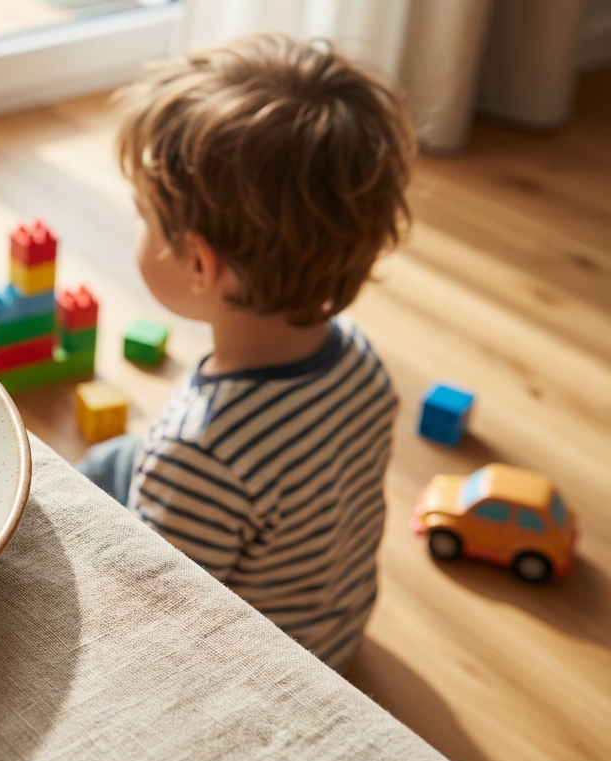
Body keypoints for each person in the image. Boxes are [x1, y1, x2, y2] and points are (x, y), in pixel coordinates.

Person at [78, 33, 414, 670]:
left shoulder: (198, 450)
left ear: (200, 264)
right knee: (112, 459)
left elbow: (161, 616)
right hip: (336, 631)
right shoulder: (360, 359)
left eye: (144, 216)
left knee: (87, 490)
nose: (137, 227)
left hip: (264, 667)